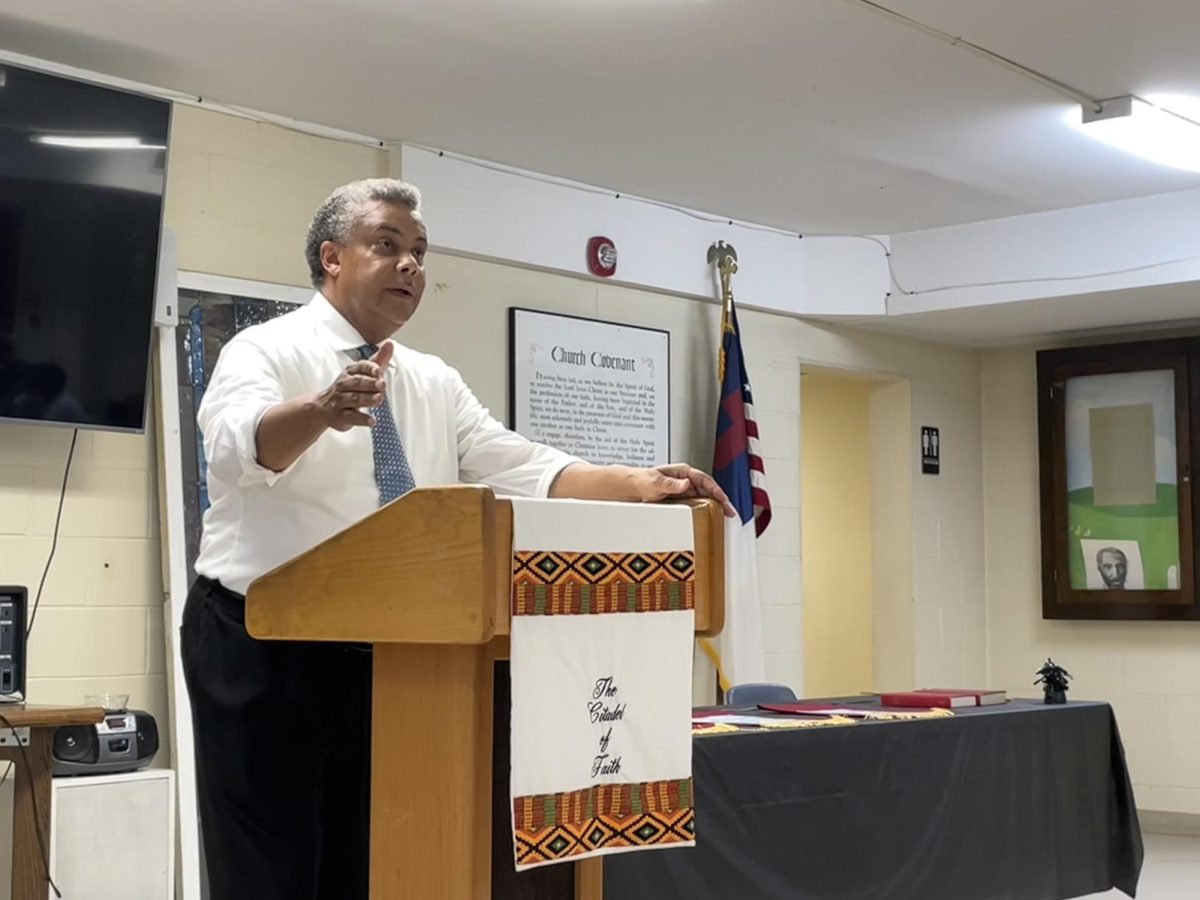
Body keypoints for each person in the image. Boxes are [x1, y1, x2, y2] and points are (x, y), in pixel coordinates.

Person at [180, 177, 733, 900]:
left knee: (366, 858)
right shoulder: (266, 350)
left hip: (392, 647)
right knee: (270, 864)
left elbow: (525, 465)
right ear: (332, 258)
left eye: (419, 252)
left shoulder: (432, 381)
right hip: (260, 642)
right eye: (387, 245)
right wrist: (320, 409)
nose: (410, 265)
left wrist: (641, 484)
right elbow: (232, 449)